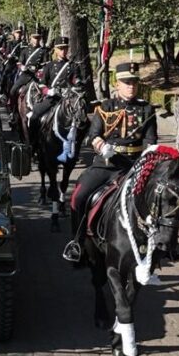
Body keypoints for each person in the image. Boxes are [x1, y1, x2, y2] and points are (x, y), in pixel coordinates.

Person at [65, 63, 157, 260]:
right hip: (107, 164)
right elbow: (93, 135)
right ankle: (77, 242)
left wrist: (145, 159)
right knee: (78, 197)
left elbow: (150, 141)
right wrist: (101, 146)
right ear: (117, 84)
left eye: (134, 82)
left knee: (158, 199)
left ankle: (157, 251)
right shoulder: (105, 107)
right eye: (126, 82)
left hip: (134, 166)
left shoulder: (147, 109)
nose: (131, 86)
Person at [28, 36, 92, 149]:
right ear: (56, 50)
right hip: (53, 98)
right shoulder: (49, 66)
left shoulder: (72, 65)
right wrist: (48, 91)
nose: (63, 51)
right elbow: (42, 84)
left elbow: (75, 79)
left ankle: (85, 140)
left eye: (65, 48)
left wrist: (78, 82)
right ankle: (33, 142)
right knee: (35, 115)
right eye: (61, 48)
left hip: (68, 98)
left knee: (84, 118)